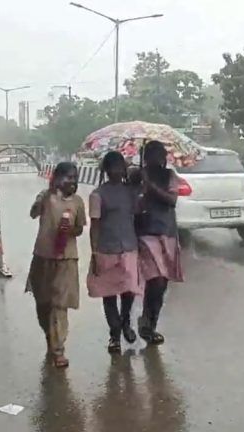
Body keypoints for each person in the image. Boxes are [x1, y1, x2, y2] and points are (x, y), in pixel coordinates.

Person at [27, 161, 86, 368]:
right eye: (67, 177)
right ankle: (50, 338)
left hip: (66, 259)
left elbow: (80, 229)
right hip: (43, 257)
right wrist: (41, 200)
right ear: (57, 178)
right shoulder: (46, 197)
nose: (71, 181)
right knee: (43, 304)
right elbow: (33, 214)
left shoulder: (78, 201)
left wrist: (69, 230)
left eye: (74, 177)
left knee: (59, 306)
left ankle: (58, 349)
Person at [87, 151, 143, 353]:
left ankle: (125, 321)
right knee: (108, 294)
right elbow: (95, 225)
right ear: (106, 170)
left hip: (129, 247)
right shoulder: (97, 195)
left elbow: (138, 211)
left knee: (129, 290)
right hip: (106, 249)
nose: (117, 171)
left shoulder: (130, 192)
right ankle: (114, 334)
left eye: (121, 166)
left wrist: (140, 186)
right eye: (113, 167)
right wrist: (94, 252)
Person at [136, 141, 183, 345]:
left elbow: (172, 200)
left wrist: (151, 186)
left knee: (162, 282)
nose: (156, 159)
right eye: (152, 154)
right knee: (155, 278)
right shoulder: (136, 174)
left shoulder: (170, 176)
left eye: (159, 154)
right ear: (145, 157)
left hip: (167, 232)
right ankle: (145, 320)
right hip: (146, 232)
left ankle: (150, 322)